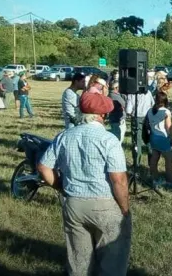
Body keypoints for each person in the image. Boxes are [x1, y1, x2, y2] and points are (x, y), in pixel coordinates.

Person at [37, 91, 131, 276]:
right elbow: (118, 180)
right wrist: (125, 209)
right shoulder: (109, 140)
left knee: (79, 261)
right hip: (104, 203)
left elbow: (43, 168)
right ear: (102, 115)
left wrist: (60, 186)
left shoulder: (65, 136)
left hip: (74, 203)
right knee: (112, 261)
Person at [147, 92, 172, 189]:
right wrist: (171, 138)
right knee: (169, 160)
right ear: (165, 101)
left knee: (154, 159)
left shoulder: (150, 111)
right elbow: (168, 127)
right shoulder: (166, 112)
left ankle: (155, 179)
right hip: (162, 138)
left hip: (153, 136)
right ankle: (171, 180)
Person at [126, 89, 155, 167]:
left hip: (137, 117)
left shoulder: (132, 93)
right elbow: (153, 104)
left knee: (137, 141)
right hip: (148, 117)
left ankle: (136, 163)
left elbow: (128, 109)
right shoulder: (148, 92)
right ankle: (152, 163)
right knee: (149, 139)